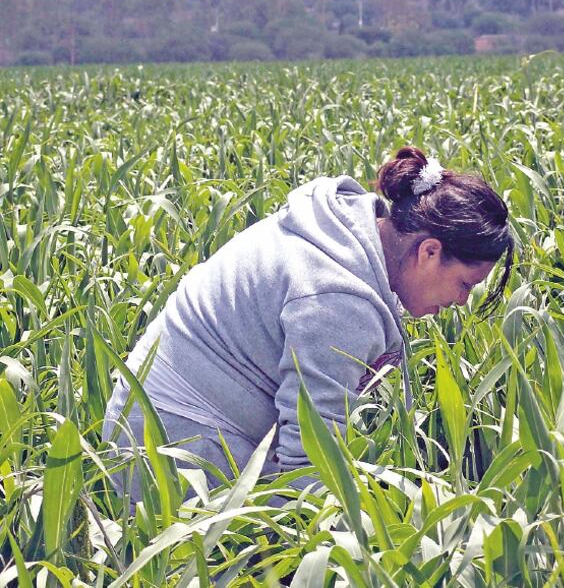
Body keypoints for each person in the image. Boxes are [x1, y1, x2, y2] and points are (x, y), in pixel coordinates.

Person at [101, 146, 514, 499]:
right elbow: (310, 463)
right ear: (429, 252)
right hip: (173, 446)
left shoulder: (349, 232)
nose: (462, 301)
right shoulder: (337, 298)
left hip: (159, 424)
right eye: (465, 284)